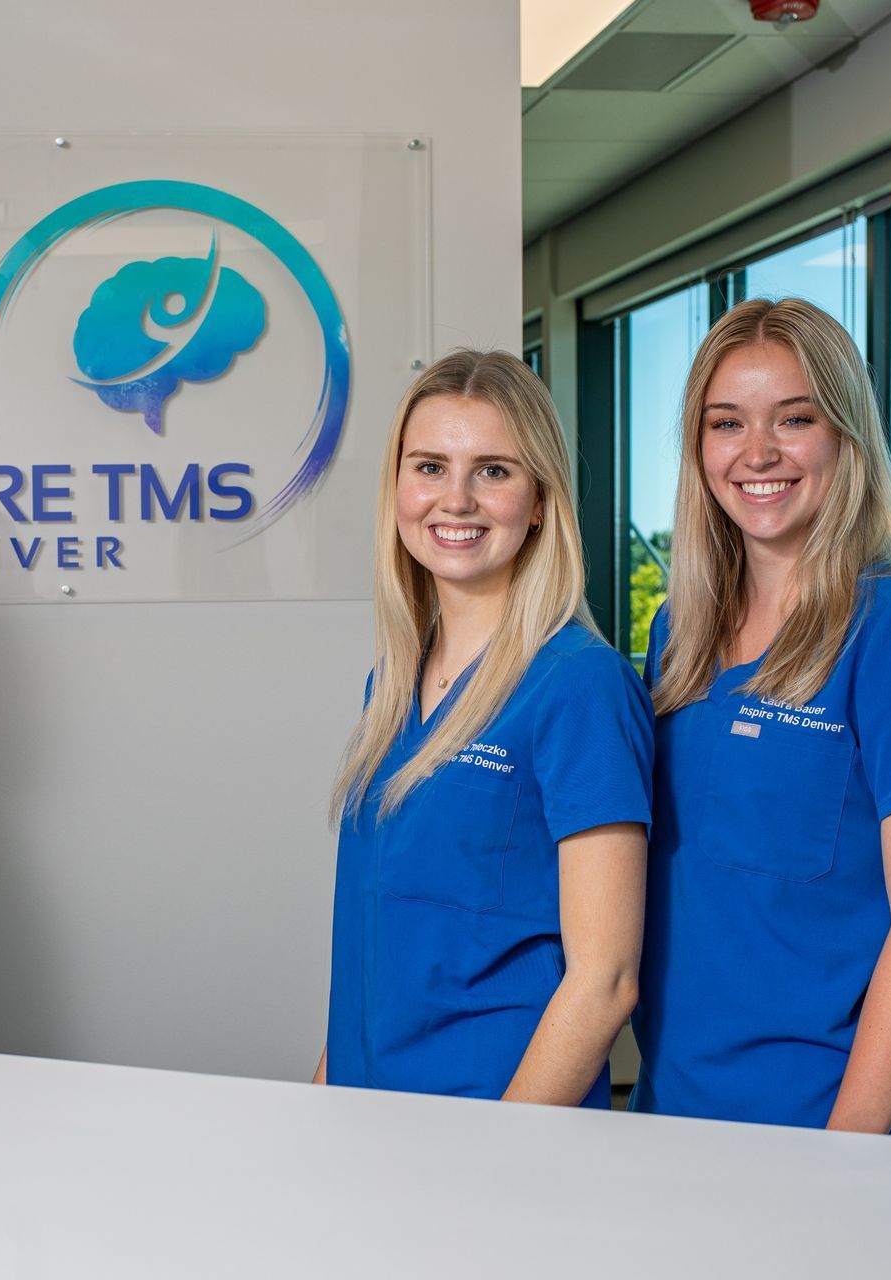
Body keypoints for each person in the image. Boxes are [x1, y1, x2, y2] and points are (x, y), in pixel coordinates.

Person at [630, 298, 891, 1137]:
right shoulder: (678, 634)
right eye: (727, 423)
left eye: (795, 418)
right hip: (676, 1111)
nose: (758, 452)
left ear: (847, 436)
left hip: (834, 1126)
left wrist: (844, 1154)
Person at [319, 350, 652, 1105]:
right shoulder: (394, 685)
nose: (456, 499)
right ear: (397, 488)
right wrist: (325, 1105)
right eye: (430, 467)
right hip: (371, 1116)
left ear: (538, 502)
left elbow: (605, 981)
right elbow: (376, 943)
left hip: (494, 1124)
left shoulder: (579, 686)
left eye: (494, 470)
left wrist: (497, 1152)